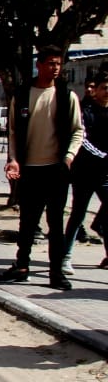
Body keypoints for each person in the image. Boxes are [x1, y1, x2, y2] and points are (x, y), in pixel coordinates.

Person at [0, 46, 83, 290]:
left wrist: (67, 158)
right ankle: (22, 265)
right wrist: (13, 159)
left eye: (58, 64)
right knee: (27, 221)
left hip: (56, 168)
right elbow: (12, 130)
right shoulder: (23, 94)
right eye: (51, 63)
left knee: (56, 223)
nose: (55, 68)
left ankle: (56, 271)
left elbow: (78, 131)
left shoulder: (67, 96)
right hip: (30, 168)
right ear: (40, 65)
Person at [62, 72, 108, 272]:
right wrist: (104, 156)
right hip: (85, 173)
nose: (107, 92)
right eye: (104, 87)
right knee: (78, 214)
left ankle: (100, 229)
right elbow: (83, 140)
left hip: (106, 174)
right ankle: (65, 256)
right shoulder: (85, 111)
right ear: (95, 90)